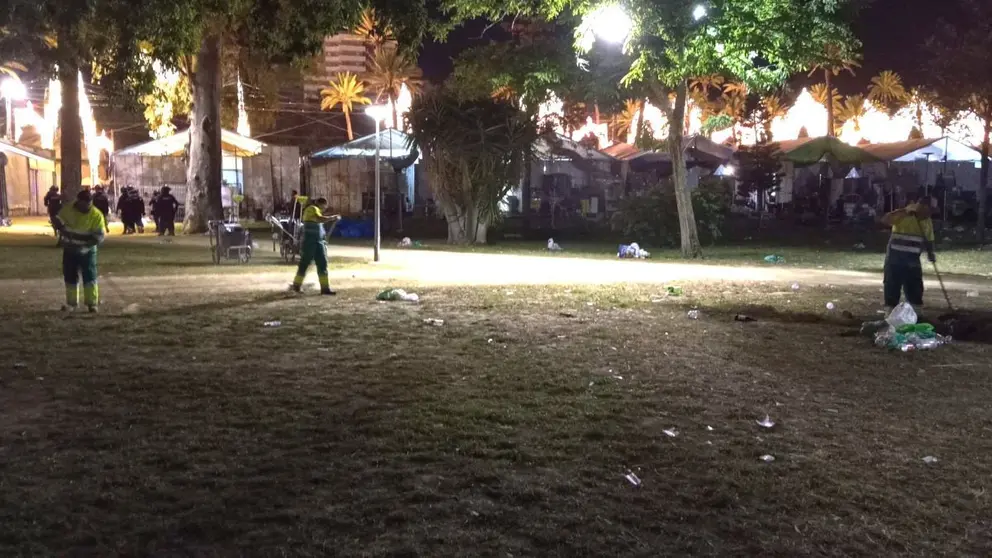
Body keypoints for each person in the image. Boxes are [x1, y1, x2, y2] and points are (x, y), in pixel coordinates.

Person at [53, 190, 106, 312]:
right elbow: (58, 220)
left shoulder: (96, 215)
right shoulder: (68, 210)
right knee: (70, 276)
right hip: (70, 249)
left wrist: (85, 247)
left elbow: (98, 237)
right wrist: (60, 226)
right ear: (78, 201)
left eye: (89, 204)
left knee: (90, 276)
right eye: (84, 204)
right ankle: (71, 303)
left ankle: (92, 304)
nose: (87, 207)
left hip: (87, 251)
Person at [881, 197, 936, 311]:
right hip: (895, 258)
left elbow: (929, 239)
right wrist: (904, 211)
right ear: (920, 207)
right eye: (929, 209)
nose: (931, 213)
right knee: (892, 284)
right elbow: (886, 220)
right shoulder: (904, 216)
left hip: (913, 259)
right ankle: (890, 311)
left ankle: (915, 311)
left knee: (914, 285)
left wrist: (931, 253)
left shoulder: (927, 221)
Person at [289, 197, 338, 295]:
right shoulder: (312, 209)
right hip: (310, 242)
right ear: (321, 204)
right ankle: (296, 285)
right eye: (324, 206)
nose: (324, 208)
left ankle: (325, 288)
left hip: (318, 242)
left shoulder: (315, 210)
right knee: (305, 263)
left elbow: (320, 219)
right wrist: (332, 218)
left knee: (322, 264)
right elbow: (320, 218)